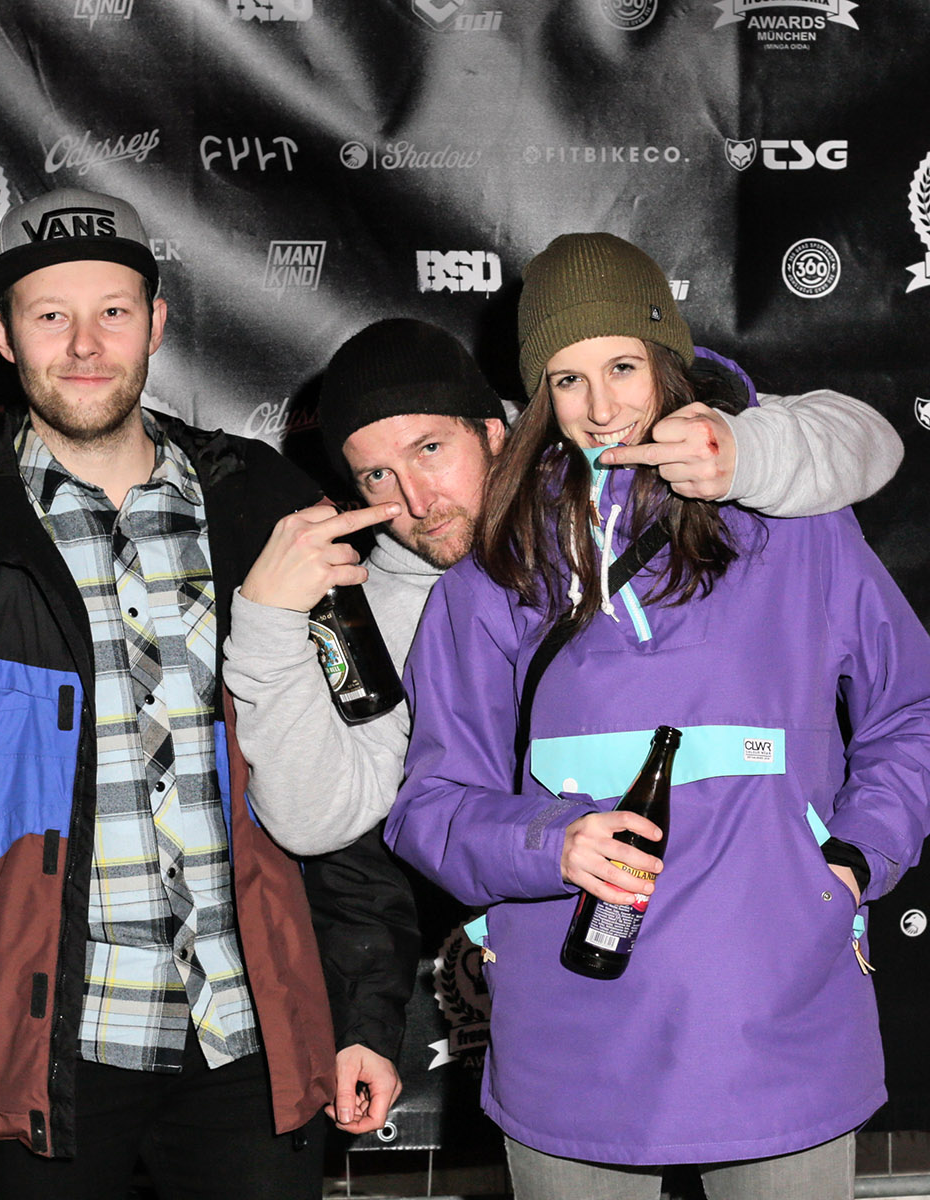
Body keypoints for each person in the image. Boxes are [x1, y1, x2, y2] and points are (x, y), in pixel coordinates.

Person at [0, 186, 414, 1200]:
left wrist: (366, 1015)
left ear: (158, 323)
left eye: (114, 312)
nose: (85, 345)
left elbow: (353, 786)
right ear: (1, 334)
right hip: (42, 1057)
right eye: (51, 315)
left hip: (253, 1044)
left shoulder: (270, 509)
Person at [381, 232, 930, 1197]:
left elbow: (912, 711)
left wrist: (851, 860)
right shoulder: (491, 578)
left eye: (624, 366)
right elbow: (431, 808)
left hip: (777, 1012)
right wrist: (548, 844)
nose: (600, 408)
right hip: (573, 1030)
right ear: (536, 398)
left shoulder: (796, 527)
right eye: (566, 379)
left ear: (669, 362)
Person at [224, 315, 903, 858]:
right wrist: (266, 622)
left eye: (430, 449)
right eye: (376, 477)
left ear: (494, 431)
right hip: (528, 931)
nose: (417, 498)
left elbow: (860, 435)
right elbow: (316, 822)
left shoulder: (604, 458)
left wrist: (746, 453)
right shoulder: (389, 606)